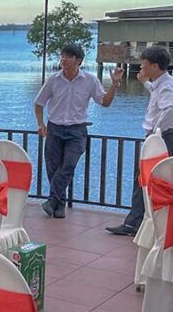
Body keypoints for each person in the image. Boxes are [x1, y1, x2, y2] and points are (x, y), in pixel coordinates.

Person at [34, 43, 123, 219]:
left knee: (68, 165)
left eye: (68, 56)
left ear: (79, 61)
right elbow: (39, 103)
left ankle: (52, 200)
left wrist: (114, 85)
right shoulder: (53, 80)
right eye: (62, 56)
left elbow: (105, 102)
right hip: (55, 128)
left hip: (77, 130)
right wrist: (40, 124)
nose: (64, 59)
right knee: (52, 168)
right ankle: (59, 205)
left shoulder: (90, 80)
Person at [106, 45, 173, 236]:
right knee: (146, 180)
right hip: (165, 137)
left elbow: (171, 108)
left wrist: (156, 132)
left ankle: (135, 223)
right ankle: (143, 222)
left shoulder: (166, 85)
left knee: (144, 181)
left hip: (161, 138)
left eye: (144, 63)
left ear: (154, 66)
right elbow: (159, 97)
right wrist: (144, 83)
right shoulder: (164, 82)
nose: (140, 66)